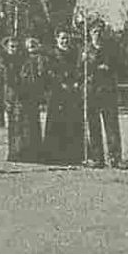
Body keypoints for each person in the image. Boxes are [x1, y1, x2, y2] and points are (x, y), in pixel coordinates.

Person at [84, 21, 123, 168]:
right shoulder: (85, 50)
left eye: (100, 31)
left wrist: (108, 67)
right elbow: (80, 70)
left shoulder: (110, 49)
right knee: (93, 126)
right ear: (89, 33)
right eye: (94, 31)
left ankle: (115, 157)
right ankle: (97, 157)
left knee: (111, 126)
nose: (97, 34)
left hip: (108, 92)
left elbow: (118, 66)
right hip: (92, 92)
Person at [43, 30, 85, 165]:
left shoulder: (74, 54)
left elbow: (79, 69)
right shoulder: (51, 54)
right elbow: (49, 72)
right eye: (62, 38)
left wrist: (77, 81)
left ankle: (73, 155)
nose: (65, 41)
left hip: (72, 92)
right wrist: (60, 82)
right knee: (56, 122)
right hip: (57, 93)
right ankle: (54, 155)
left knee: (72, 122)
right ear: (57, 39)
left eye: (67, 38)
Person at [16, 36, 47, 163]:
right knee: (25, 123)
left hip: (34, 94)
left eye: (34, 46)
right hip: (25, 94)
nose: (32, 48)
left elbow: (42, 76)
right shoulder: (22, 59)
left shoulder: (40, 59)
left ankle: (35, 151)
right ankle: (25, 151)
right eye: (29, 46)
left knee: (34, 123)